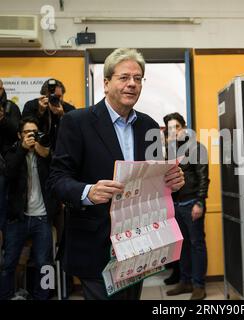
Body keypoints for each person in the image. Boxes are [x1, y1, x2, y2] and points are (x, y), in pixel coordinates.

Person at [47, 48, 185, 300]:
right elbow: (57, 180)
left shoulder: (150, 126)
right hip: (95, 243)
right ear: (106, 82)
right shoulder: (77, 122)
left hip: (139, 243)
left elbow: (154, 179)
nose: (132, 84)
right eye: (124, 77)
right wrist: (88, 191)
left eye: (138, 78)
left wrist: (171, 183)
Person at [0, 117, 58, 300]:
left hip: (41, 218)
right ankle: (6, 296)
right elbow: (8, 173)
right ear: (19, 135)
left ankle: (42, 297)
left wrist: (46, 154)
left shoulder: (45, 152)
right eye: (27, 132)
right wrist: (23, 150)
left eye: (34, 132)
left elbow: (58, 172)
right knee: (9, 263)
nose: (31, 135)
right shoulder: (11, 152)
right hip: (18, 218)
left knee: (45, 264)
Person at [164, 112, 210, 300]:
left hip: (192, 203)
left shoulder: (197, 148)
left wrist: (199, 202)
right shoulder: (171, 151)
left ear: (184, 127)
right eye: (170, 129)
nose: (174, 131)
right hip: (176, 204)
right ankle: (185, 282)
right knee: (182, 246)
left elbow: (203, 178)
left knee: (197, 244)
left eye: (177, 127)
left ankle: (199, 286)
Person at [22, 78, 75, 151]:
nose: (56, 100)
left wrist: (63, 116)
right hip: (37, 149)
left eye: (59, 97)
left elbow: (74, 132)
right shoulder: (31, 106)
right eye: (52, 96)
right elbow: (26, 129)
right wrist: (40, 112)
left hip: (62, 149)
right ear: (44, 95)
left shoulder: (69, 109)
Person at [0, 79, 22, 252]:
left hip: (6, 163)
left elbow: (17, 132)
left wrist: (3, 119)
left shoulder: (10, 107)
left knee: (4, 204)